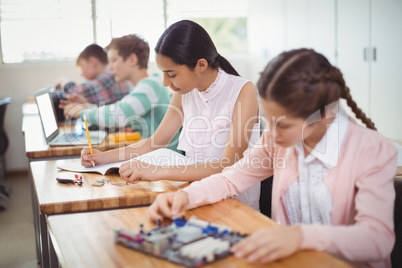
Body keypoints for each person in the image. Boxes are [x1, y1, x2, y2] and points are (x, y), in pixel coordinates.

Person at [146, 48, 398, 267]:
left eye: (284, 125)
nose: (271, 134)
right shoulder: (278, 138)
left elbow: (377, 239)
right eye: (269, 121)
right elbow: (230, 179)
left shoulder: (372, 151)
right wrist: (184, 196)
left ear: (323, 115)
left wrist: (301, 237)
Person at [80, 20, 262, 210]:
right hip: (193, 197)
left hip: (235, 206)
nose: (166, 82)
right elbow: (155, 142)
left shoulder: (243, 90)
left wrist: (159, 171)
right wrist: (103, 157)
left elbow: (226, 165)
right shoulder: (185, 91)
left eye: (172, 74)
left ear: (200, 65)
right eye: (163, 74)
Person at [63, 34, 171, 137]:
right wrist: (87, 106)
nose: (110, 68)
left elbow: (118, 114)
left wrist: (82, 112)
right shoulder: (142, 87)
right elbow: (121, 114)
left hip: (163, 155)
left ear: (132, 59)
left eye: (113, 60)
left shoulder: (150, 86)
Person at [59, 43, 132, 105]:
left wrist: (64, 83)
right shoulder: (110, 75)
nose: (82, 74)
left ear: (93, 62)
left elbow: (76, 91)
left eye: (82, 67)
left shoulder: (109, 75)